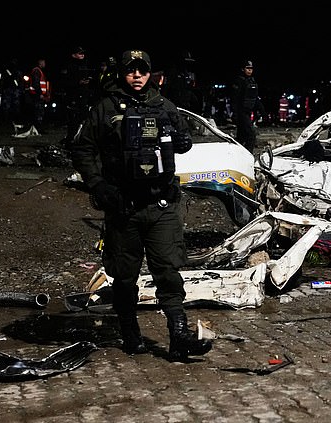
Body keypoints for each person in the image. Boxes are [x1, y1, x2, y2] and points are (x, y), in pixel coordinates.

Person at [70, 49, 213, 362]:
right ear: (122, 72)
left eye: (142, 70)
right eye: (131, 70)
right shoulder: (105, 107)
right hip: (123, 207)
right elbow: (82, 149)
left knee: (168, 271)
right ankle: (130, 332)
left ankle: (179, 336)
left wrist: (175, 136)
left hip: (161, 205)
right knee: (124, 275)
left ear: (150, 73)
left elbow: (184, 142)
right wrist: (98, 185)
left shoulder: (163, 105)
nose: (137, 76)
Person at [59, 46, 96, 147]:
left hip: (84, 96)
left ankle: (79, 139)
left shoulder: (85, 65)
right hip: (72, 96)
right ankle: (71, 139)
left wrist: (88, 82)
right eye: (80, 53)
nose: (82, 55)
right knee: (73, 119)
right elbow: (63, 82)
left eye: (83, 53)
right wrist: (78, 82)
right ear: (73, 55)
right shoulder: (68, 66)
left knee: (83, 119)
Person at [230, 59, 264, 153]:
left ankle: (239, 155)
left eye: (251, 68)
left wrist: (261, 111)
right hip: (241, 112)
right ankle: (248, 156)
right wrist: (235, 114)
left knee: (242, 137)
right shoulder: (239, 81)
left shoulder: (251, 81)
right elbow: (235, 99)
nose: (249, 70)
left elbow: (254, 98)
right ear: (242, 69)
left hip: (248, 112)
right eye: (247, 68)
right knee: (251, 135)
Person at [27, 58, 50, 134]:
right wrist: (40, 94)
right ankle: (38, 129)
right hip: (36, 95)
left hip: (37, 95)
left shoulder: (38, 71)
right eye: (44, 63)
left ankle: (37, 128)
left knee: (38, 112)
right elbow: (36, 83)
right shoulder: (37, 71)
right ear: (41, 63)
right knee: (38, 112)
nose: (45, 64)